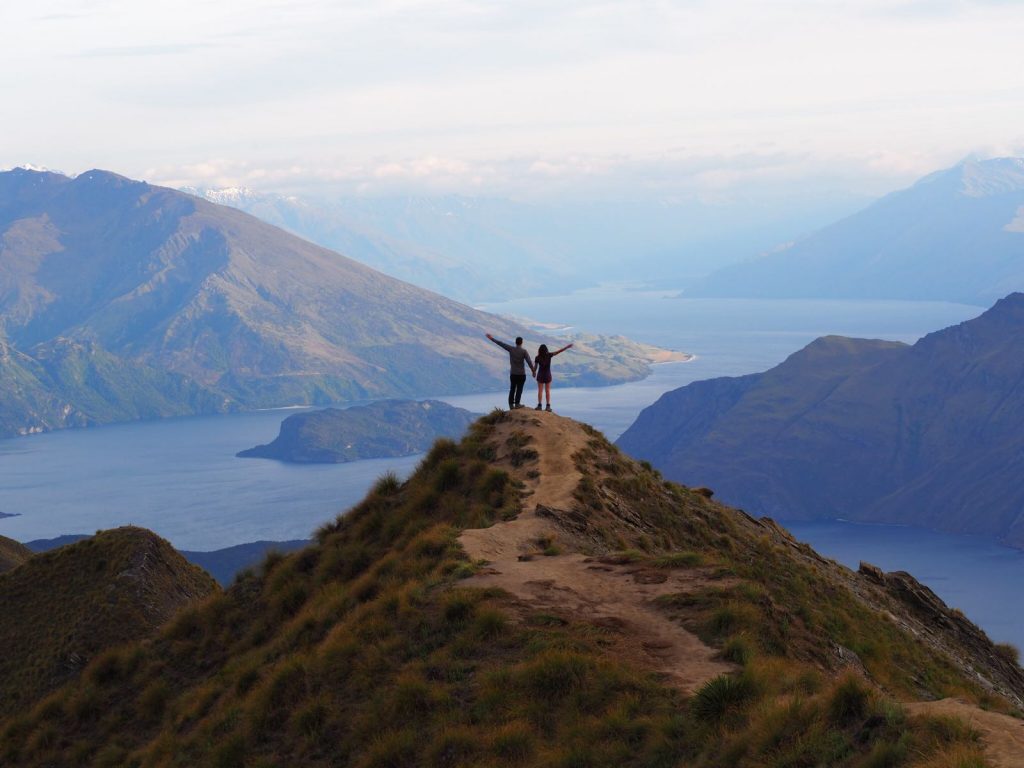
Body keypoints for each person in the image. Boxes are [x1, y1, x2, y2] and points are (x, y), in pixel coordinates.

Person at [486, 333, 536, 409]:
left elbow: (501, 344)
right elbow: (529, 361)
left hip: (513, 374)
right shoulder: (524, 351)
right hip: (521, 374)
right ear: (521, 343)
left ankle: (511, 405)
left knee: (512, 389)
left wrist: (491, 338)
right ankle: (517, 404)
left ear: (516, 342)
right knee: (519, 389)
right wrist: (533, 371)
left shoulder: (511, 349)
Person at [533, 342, 573, 411]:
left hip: (540, 376)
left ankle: (539, 406)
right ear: (546, 350)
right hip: (548, 375)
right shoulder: (549, 355)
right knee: (547, 391)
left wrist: (533, 372)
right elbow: (558, 352)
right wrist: (566, 347)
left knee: (540, 391)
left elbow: (535, 368)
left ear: (539, 350)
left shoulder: (537, 357)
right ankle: (548, 406)